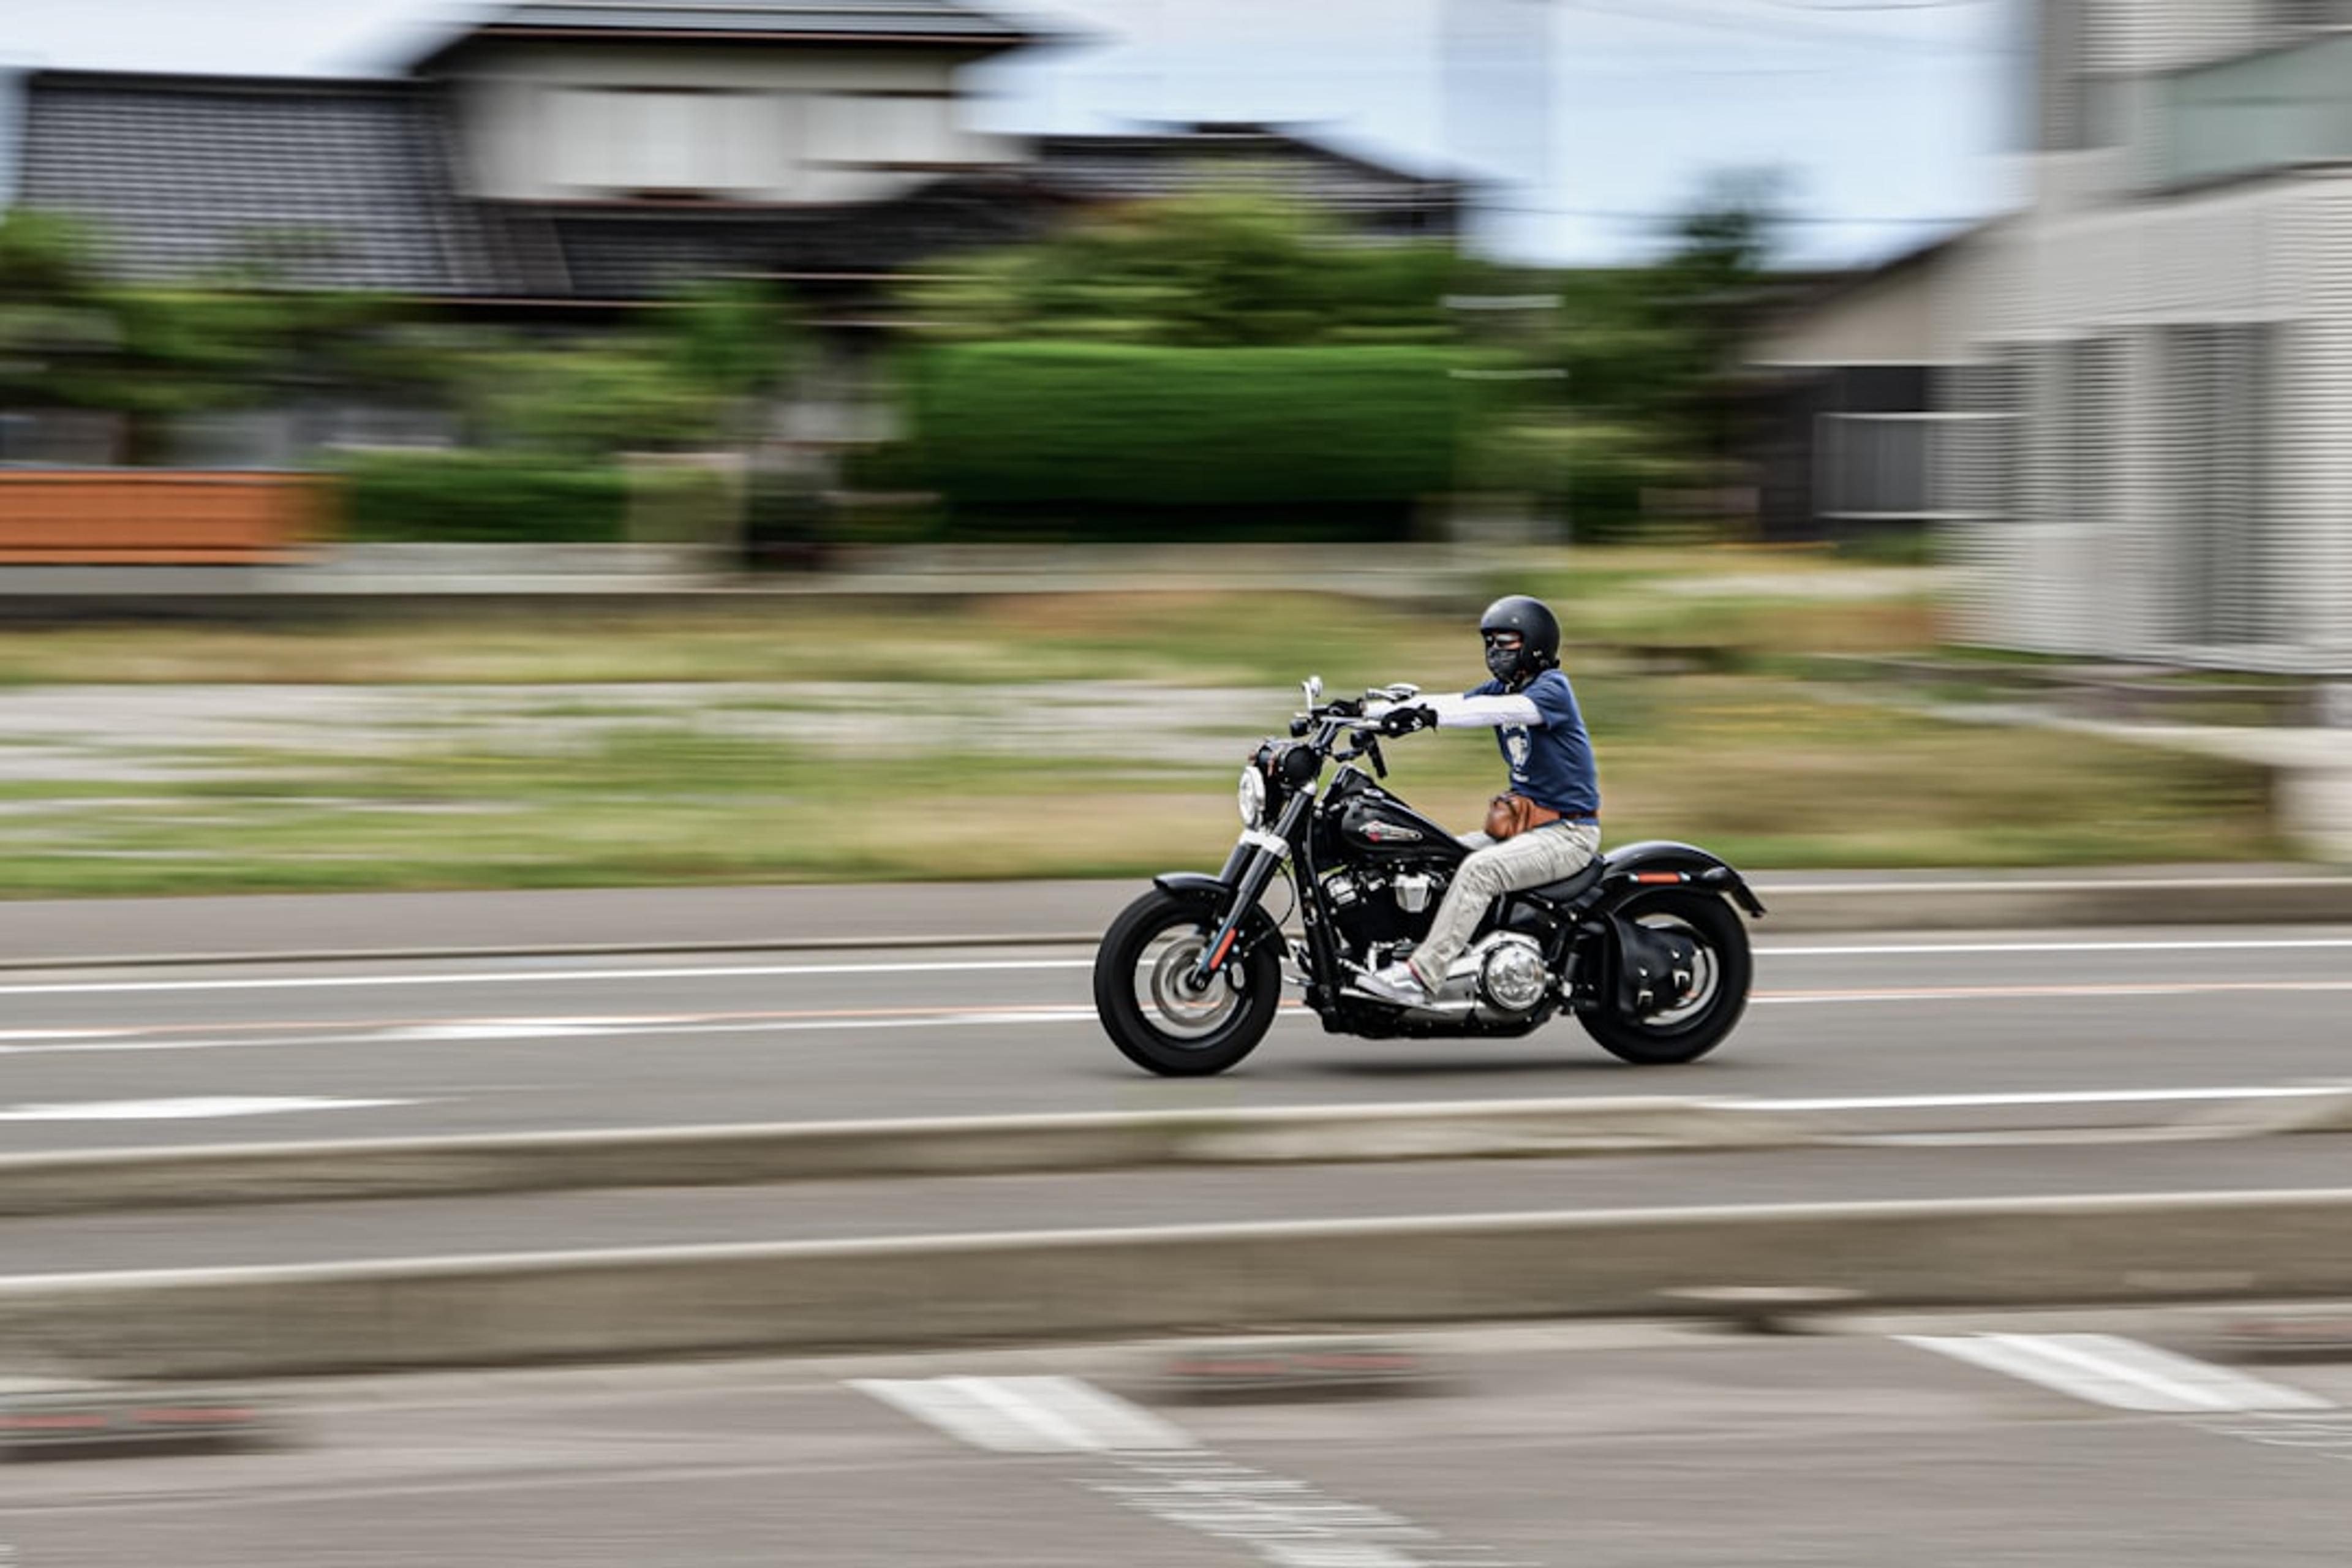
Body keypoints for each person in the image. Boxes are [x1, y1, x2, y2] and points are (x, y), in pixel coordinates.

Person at [1354, 594, 1600, 1007]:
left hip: (1568, 833)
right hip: (1524, 830)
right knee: (1435, 858)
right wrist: (1369, 712)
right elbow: (1455, 702)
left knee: (1479, 871)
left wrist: (1428, 717)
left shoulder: (1550, 690)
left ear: (1534, 644)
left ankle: (1421, 978)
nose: (1494, 651)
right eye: (1489, 642)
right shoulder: (1505, 689)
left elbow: (1487, 712)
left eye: (1505, 642)